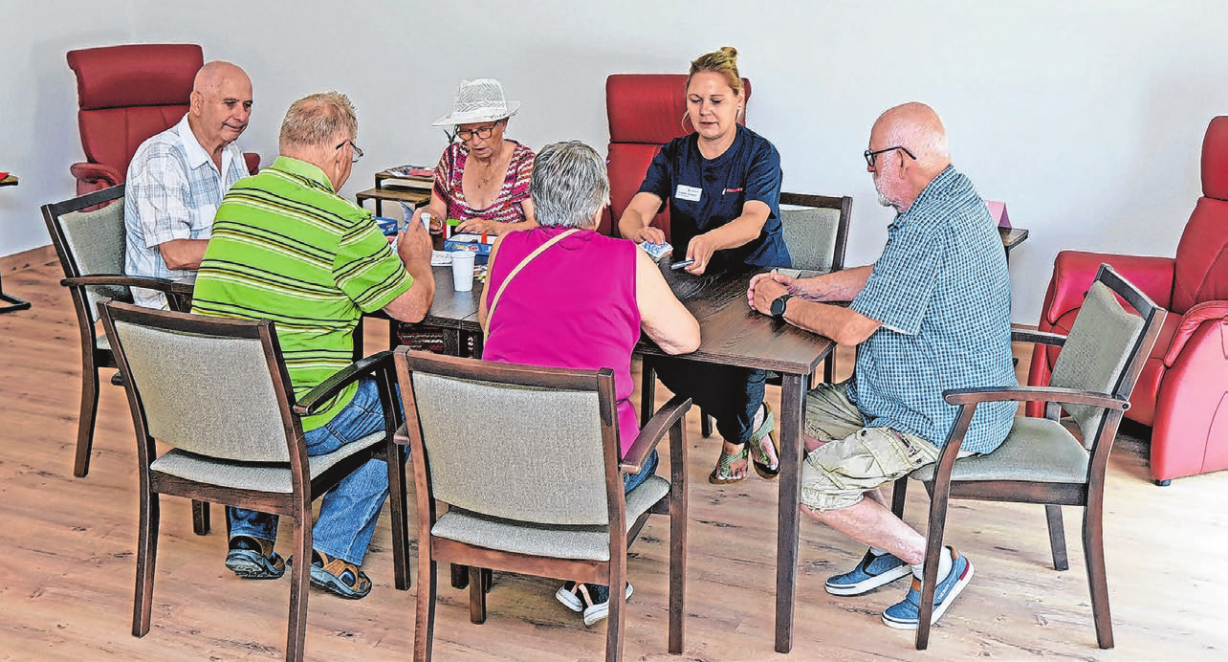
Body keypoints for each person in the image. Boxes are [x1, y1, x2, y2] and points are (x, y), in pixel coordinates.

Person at [746, 102, 1016, 630]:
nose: (869, 169)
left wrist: (779, 305)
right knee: (795, 420)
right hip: (896, 392)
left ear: (901, 159)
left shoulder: (932, 223)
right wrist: (806, 285)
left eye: (872, 159)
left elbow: (851, 330)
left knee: (810, 487)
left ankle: (934, 563)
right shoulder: (948, 197)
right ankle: (886, 543)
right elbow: (887, 275)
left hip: (941, 413)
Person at [191, 91, 436, 599]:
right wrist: (417, 260)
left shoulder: (237, 198)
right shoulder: (346, 224)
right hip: (301, 416)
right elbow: (411, 309)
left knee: (258, 371)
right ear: (342, 149)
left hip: (215, 409)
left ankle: (251, 536)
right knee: (409, 402)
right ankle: (333, 550)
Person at [478, 140, 700, 626]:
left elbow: (486, 323)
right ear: (601, 204)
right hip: (590, 471)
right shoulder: (627, 260)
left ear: (533, 202)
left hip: (498, 460)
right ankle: (595, 570)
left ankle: (581, 567)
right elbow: (685, 340)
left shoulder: (506, 247)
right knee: (647, 453)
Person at [617, 46, 788, 485]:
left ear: (738, 102)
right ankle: (751, 420)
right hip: (694, 276)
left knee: (741, 356)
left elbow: (753, 222)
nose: (705, 111)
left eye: (716, 101)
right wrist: (640, 230)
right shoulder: (673, 154)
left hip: (755, 272)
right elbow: (631, 215)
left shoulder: (760, 155)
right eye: (695, 101)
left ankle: (734, 442)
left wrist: (711, 239)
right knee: (659, 344)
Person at [125, 61, 253, 309]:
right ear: (197, 103)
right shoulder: (161, 157)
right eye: (230, 104)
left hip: (220, 289)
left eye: (247, 106)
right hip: (174, 304)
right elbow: (177, 255)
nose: (242, 116)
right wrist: (252, 251)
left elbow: (248, 222)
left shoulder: (231, 151)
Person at [404, 78, 536, 237]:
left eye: (483, 130)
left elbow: (536, 225)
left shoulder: (524, 163)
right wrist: (433, 218)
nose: (475, 141)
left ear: (504, 123)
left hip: (508, 257)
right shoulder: (452, 157)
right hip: (456, 255)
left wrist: (494, 228)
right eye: (466, 132)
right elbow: (437, 209)